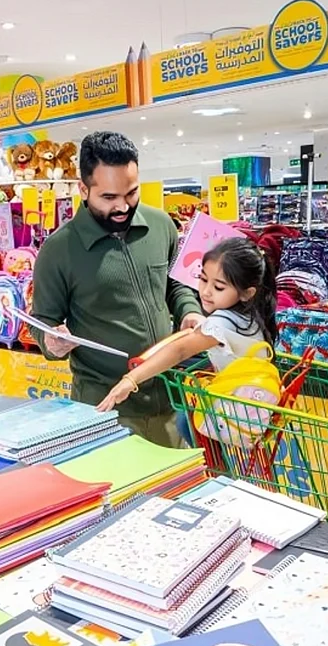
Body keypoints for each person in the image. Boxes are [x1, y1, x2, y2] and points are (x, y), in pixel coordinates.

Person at [31, 131, 204, 448]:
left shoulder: (161, 226)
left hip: (169, 397)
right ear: (83, 189)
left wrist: (189, 311)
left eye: (131, 193)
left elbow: (175, 285)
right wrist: (51, 341)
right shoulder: (59, 250)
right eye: (109, 197)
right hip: (105, 409)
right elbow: (42, 320)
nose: (123, 206)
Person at [97, 238, 277, 414]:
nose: (206, 291)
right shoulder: (252, 316)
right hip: (255, 403)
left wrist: (131, 379)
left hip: (235, 411)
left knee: (186, 418)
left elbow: (179, 351)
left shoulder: (221, 323)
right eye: (203, 279)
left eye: (219, 287)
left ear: (247, 293)